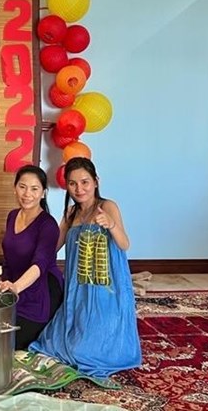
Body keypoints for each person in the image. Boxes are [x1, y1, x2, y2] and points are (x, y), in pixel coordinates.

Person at [29, 157, 141, 388]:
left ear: (96, 181)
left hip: (105, 287)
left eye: (85, 182)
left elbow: (124, 244)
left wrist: (111, 224)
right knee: (51, 342)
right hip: (78, 286)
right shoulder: (71, 213)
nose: (79, 189)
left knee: (86, 352)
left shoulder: (108, 206)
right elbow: (53, 246)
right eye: (72, 183)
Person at [0, 165, 64, 350]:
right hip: (15, 286)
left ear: (43, 193)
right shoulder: (12, 216)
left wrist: (16, 287)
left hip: (40, 290)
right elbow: (8, 258)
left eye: (35, 189)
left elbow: (39, 265)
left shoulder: (48, 225)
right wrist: (5, 285)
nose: (27, 194)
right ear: (15, 188)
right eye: (22, 186)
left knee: (5, 342)